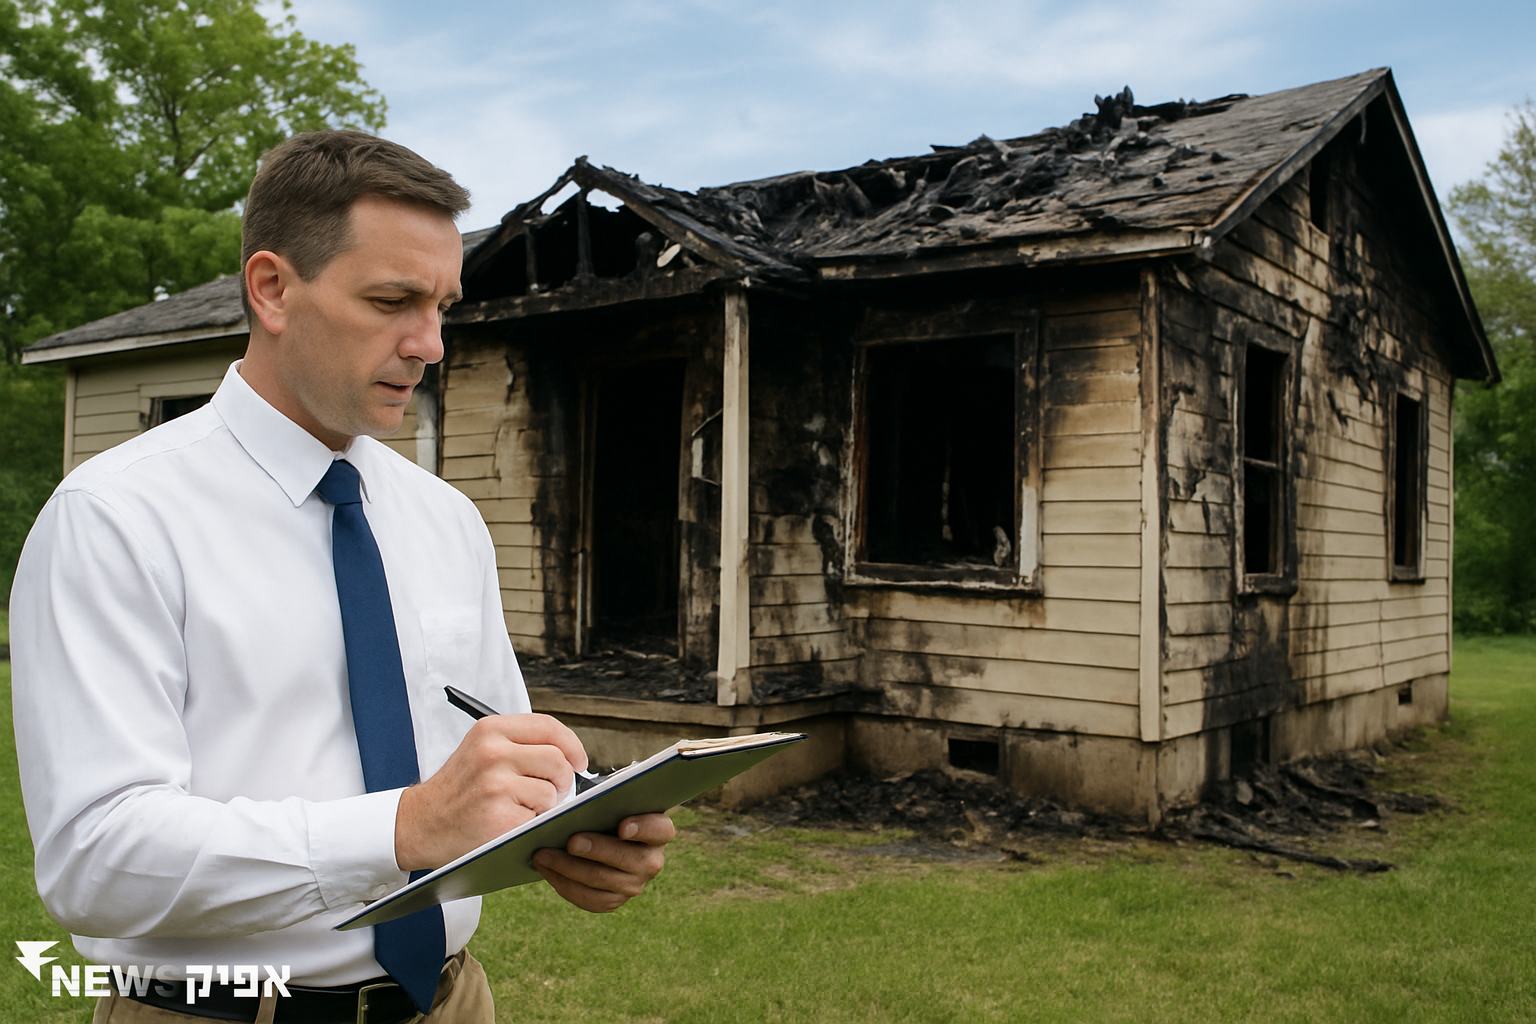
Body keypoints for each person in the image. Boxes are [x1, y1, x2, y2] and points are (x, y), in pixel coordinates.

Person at [9, 130, 675, 1024]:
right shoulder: (116, 519)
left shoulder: (446, 520)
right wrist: (403, 827)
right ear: (273, 288)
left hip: (449, 1000)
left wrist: (573, 832)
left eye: (442, 305)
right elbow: (97, 860)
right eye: (393, 301)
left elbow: (487, 775)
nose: (432, 345)